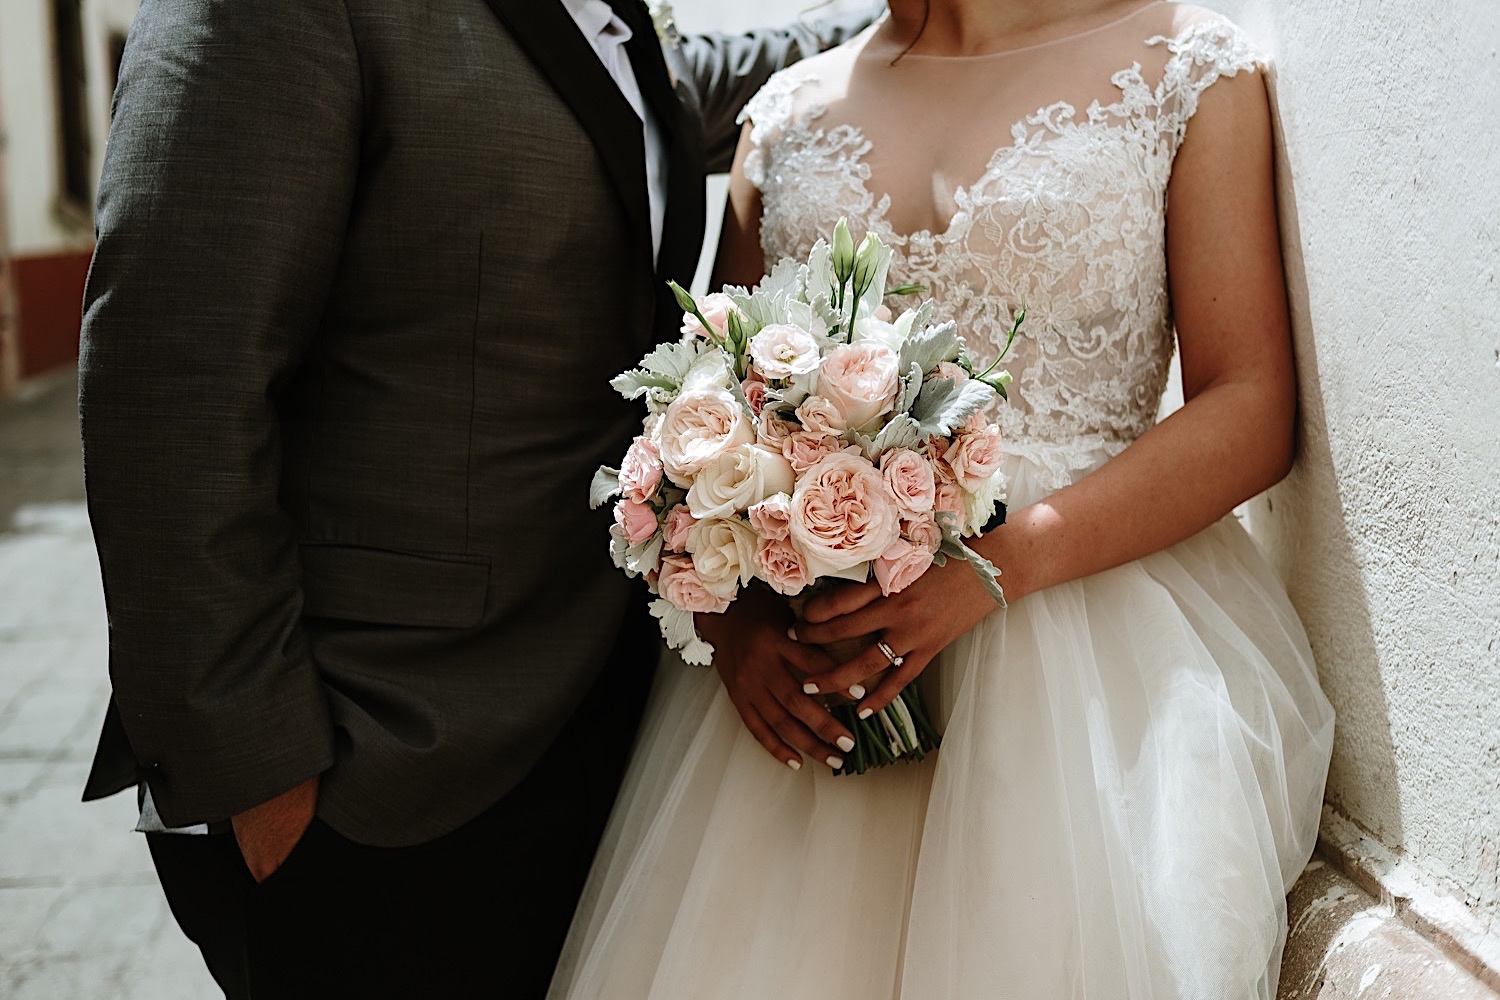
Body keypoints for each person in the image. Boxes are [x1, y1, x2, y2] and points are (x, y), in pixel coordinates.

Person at [76, 1, 870, 996]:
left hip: (592, 737)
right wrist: (263, 783)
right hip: (378, 770)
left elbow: (676, 85)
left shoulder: (602, 18)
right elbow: (169, 385)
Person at [547, 1, 1336, 996]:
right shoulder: (783, 118)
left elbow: (1253, 404)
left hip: (1092, 658)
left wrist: (1000, 570)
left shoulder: (1187, 70)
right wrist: (741, 615)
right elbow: (716, 395)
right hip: (816, 682)